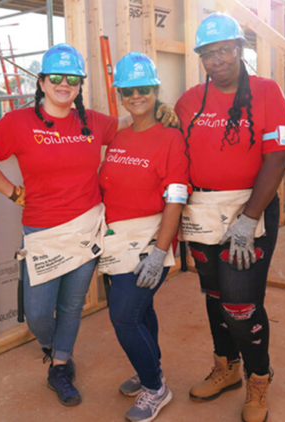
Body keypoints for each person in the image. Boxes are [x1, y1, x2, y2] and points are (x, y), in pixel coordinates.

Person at [0, 43, 177, 407]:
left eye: (73, 79)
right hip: (42, 230)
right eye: (57, 78)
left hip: (86, 228)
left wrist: (164, 110)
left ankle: (61, 365)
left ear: (80, 84)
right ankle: (53, 346)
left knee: (70, 306)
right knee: (37, 312)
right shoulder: (19, 122)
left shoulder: (93, 122)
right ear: (43, 81)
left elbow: (134, 121)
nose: (64, 84)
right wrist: (13, 192)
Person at [175, 13, 285, 422]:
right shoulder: (189, 101)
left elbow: (279, 155)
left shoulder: (265, 92)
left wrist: (248, 219)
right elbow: (173, 154)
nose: (217, 60)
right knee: (213, 296)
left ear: (240, 49)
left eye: (225, 50)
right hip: (202, 213)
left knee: (240, 303)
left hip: (250, 213)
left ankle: (258, 376)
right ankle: (226, 366)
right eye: (209, 54)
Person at [97, 52, 189, 422]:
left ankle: (156, 388)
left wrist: (159, 251)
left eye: (144, 89)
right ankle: (150, 366)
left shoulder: (171, 138)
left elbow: (176, 197)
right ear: (120, 93)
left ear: (155, 90)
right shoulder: (117, 135)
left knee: (124, 316)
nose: (136, 96)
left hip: (150, 240)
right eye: (128, 90)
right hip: (114, 240)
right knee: (141, 310)